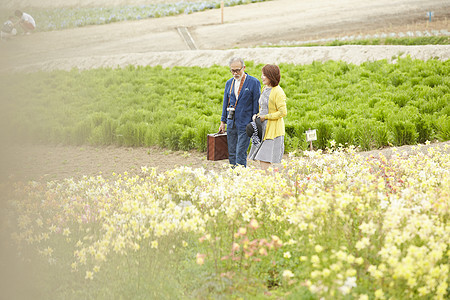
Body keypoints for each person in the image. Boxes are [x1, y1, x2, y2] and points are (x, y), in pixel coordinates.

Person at [219, 57, 261, 167]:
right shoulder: (229, 83)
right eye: (232, 70)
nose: (235, 73)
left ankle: (241, 176)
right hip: (231, 122)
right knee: (231, 152)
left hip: (245, 123)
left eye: (238, 70)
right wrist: (223, 121)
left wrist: (254, 123)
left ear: (244, 68)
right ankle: (234, 175)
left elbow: (256, 104)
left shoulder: (253, 82)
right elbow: (225, 103)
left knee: (240, 152)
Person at [248, 64, 287, 170]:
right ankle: (269, 183)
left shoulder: (278, 92)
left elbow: (283, 112)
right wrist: (257, 116)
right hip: (263, 128)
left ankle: (270, 184)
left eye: (264, 75)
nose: (262, 77)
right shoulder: (265, 88)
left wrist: (266, 117)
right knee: (263, 161)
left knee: (265, 160)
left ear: (271, 76)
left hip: (273, 131)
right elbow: (263, 107)